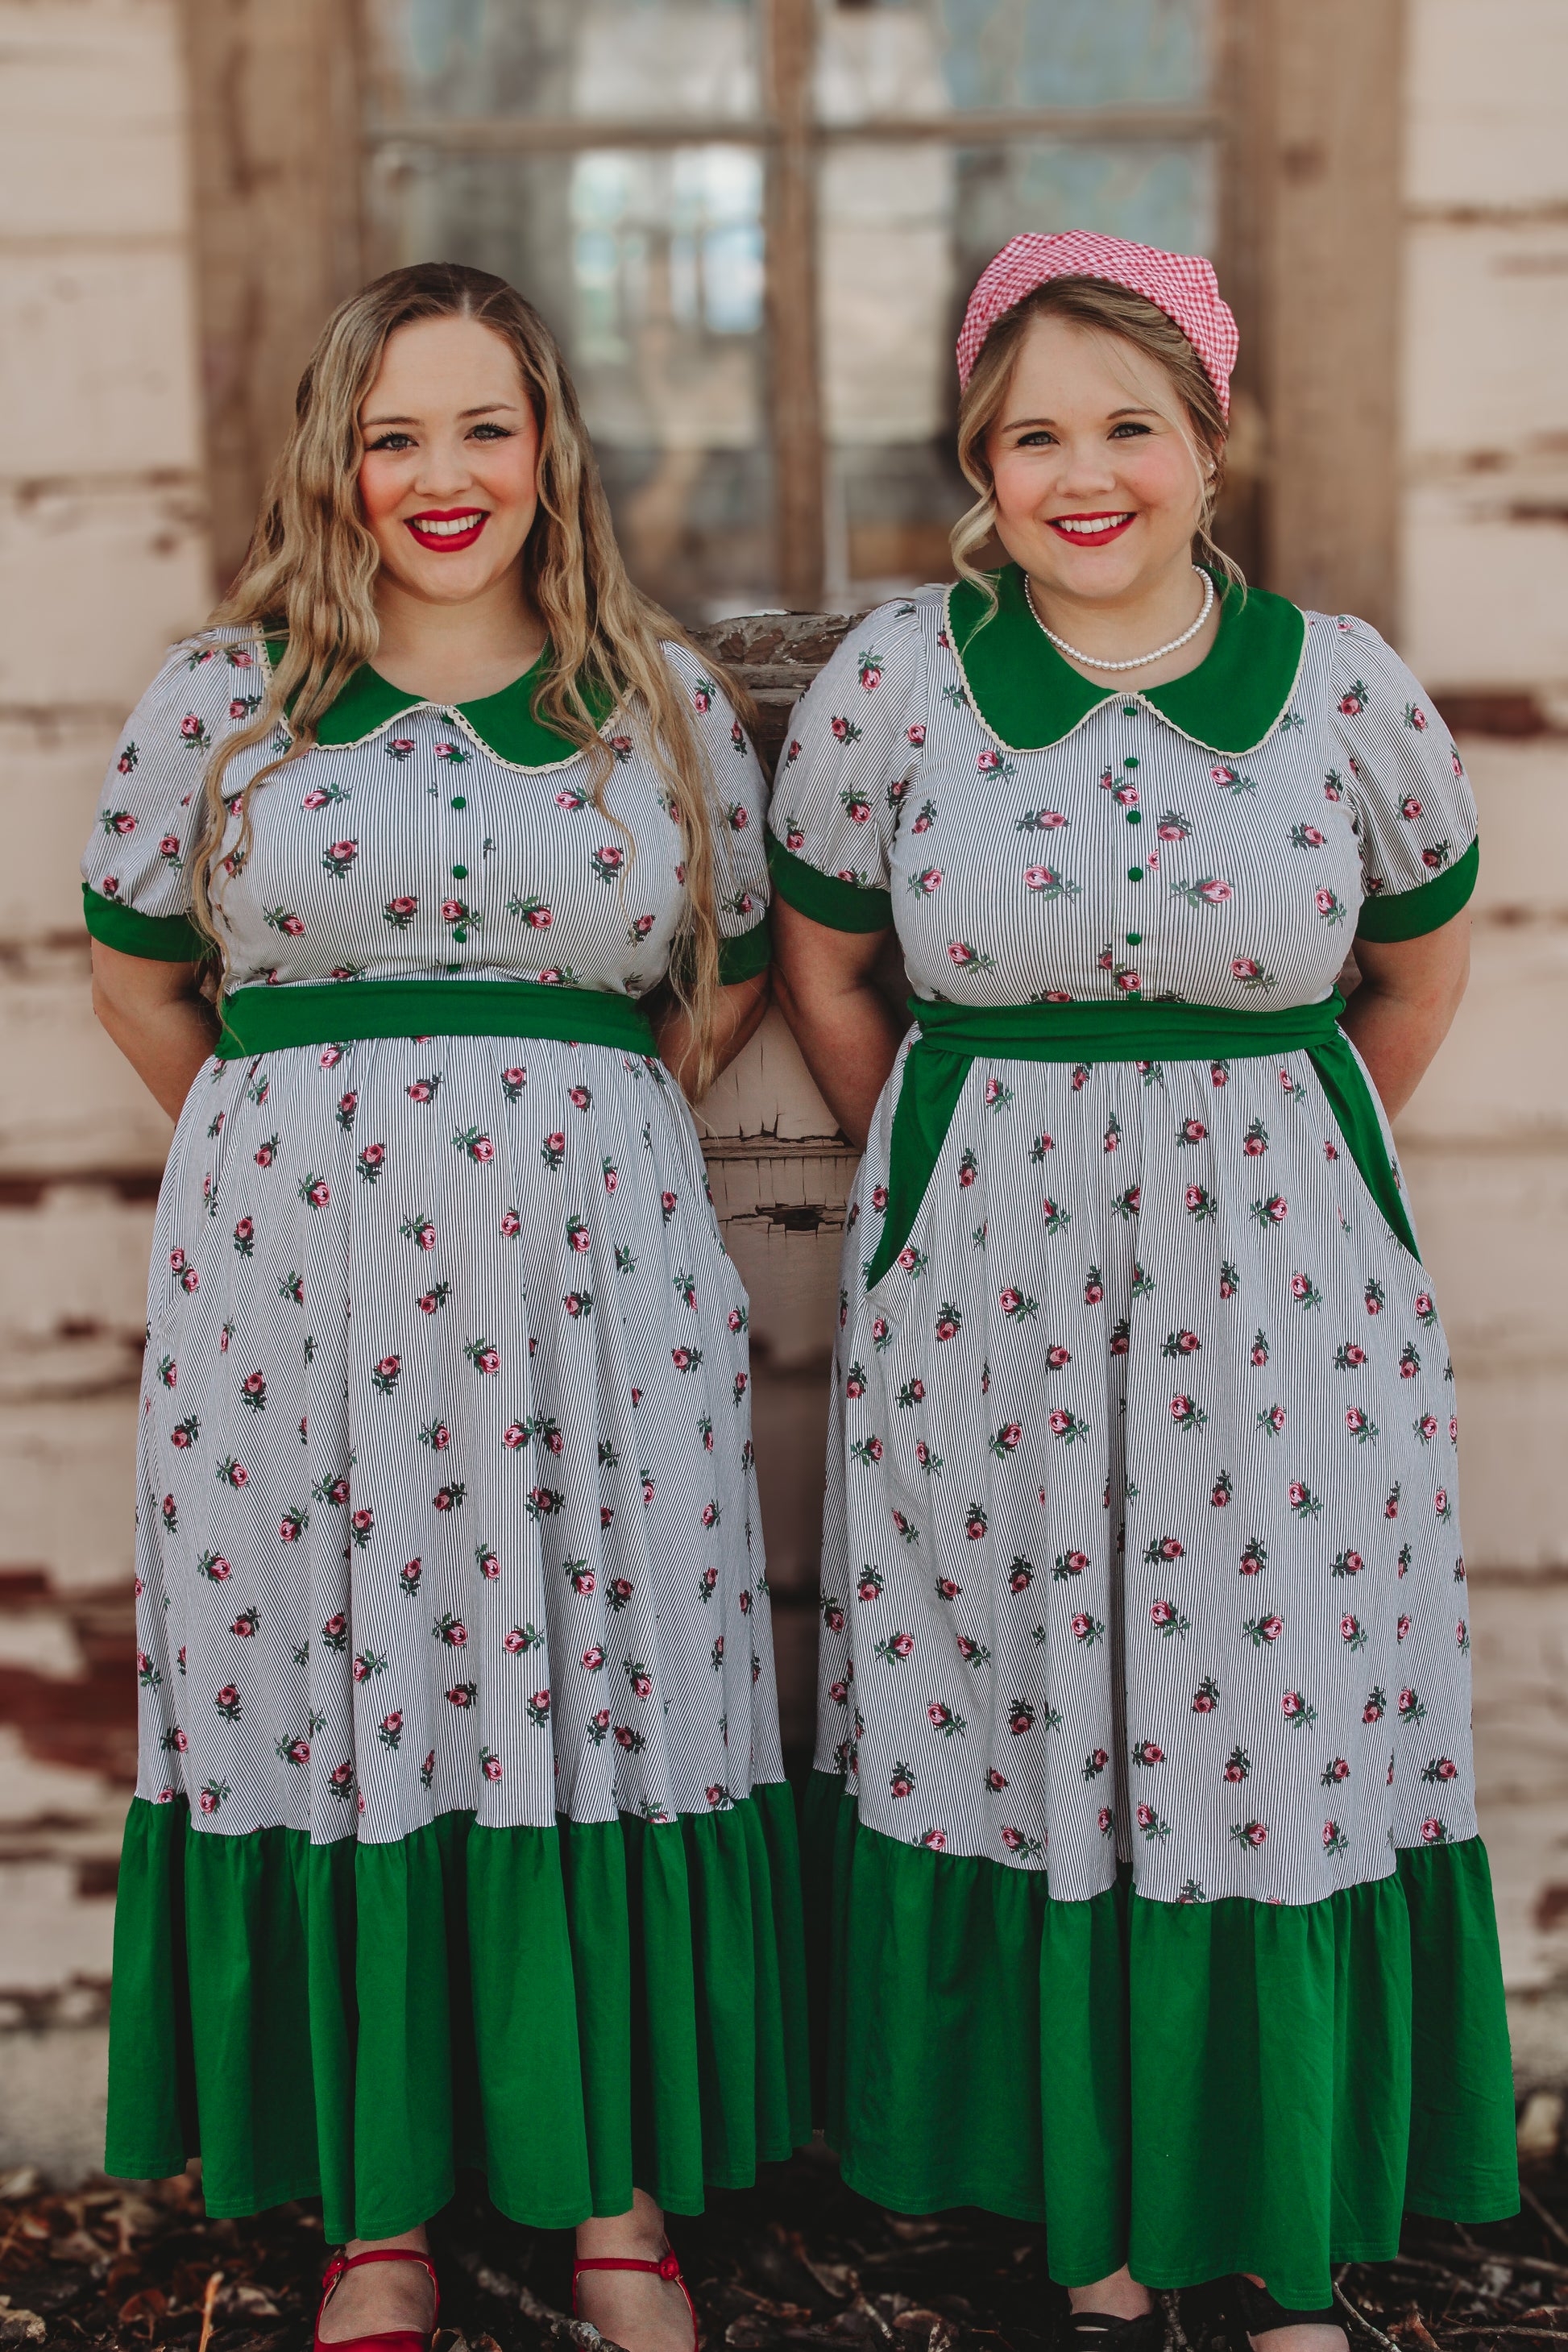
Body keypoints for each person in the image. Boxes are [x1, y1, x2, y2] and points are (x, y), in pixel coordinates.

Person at [769, 233, 1516, 2344]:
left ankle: (1271, 2232)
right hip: (985, 1282)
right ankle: (1078, 2218)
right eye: (1032, 438)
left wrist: (1265, 1172)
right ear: (980, 470)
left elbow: (1415, 968)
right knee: (1018, 1694)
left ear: (1209, 442)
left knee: (1269, 1704)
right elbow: (829, 966)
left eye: (1127, 427)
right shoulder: (900, 686)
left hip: (1281, 1285)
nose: (1081, 474)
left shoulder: (1340, 686)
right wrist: (963, 1168)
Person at [85, 261, 807, 2352]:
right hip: (290, 1310)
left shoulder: (650, 702)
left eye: (482, 425)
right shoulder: (224, 703)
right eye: (392, 435)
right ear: (336, 460)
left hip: (593, 1299)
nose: (440, 474)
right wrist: (298, 1166)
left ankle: (613, 2195)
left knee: (603, 1675)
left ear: (548, 446)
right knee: (341, 1684)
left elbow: (725, 973)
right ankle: (373, 2210)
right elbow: (140, 978)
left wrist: (553, 1136)